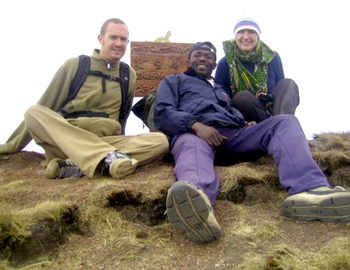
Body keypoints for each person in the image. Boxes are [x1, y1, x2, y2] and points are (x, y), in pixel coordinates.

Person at [154, 41, 350, 244]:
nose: (202, 58)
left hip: (232, 137)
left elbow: (229, 112)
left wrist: (244, 123)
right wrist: (195, 125)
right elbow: (162, 113)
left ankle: (309, 190)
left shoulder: (220, 90)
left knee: (284, 122)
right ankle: (197, 204)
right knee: (190, 145)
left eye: (208, 56)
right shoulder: (174, 81)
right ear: (189, 60)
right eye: (198, 55)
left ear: (214, 64)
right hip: (195, 135)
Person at [0, 18, 169, 179]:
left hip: (105, 140)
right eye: (113, 37)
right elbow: (46, 104)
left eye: (123, 39)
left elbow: (122, 117)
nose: (119, 43)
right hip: (67, 141)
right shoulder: (75, 65)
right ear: (100, 38)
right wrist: (11, 146)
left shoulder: (128, 75)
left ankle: (77, 166)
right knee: (33, 112)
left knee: (160, 141)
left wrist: (124, 140)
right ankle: (106, 159)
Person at [215, 18, 300, 123]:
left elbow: (280, 88)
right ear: (235, 36)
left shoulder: (272, 57)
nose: (246, 37)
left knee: (288, 84)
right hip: (245, 114)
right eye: (241, 32)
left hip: (272, 111)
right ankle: (275, 127)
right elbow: (220, 93)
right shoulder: (226, 62)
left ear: (258, 36)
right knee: (242, 97)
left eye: (251, 32)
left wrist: (268, 98)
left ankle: (281, 125)